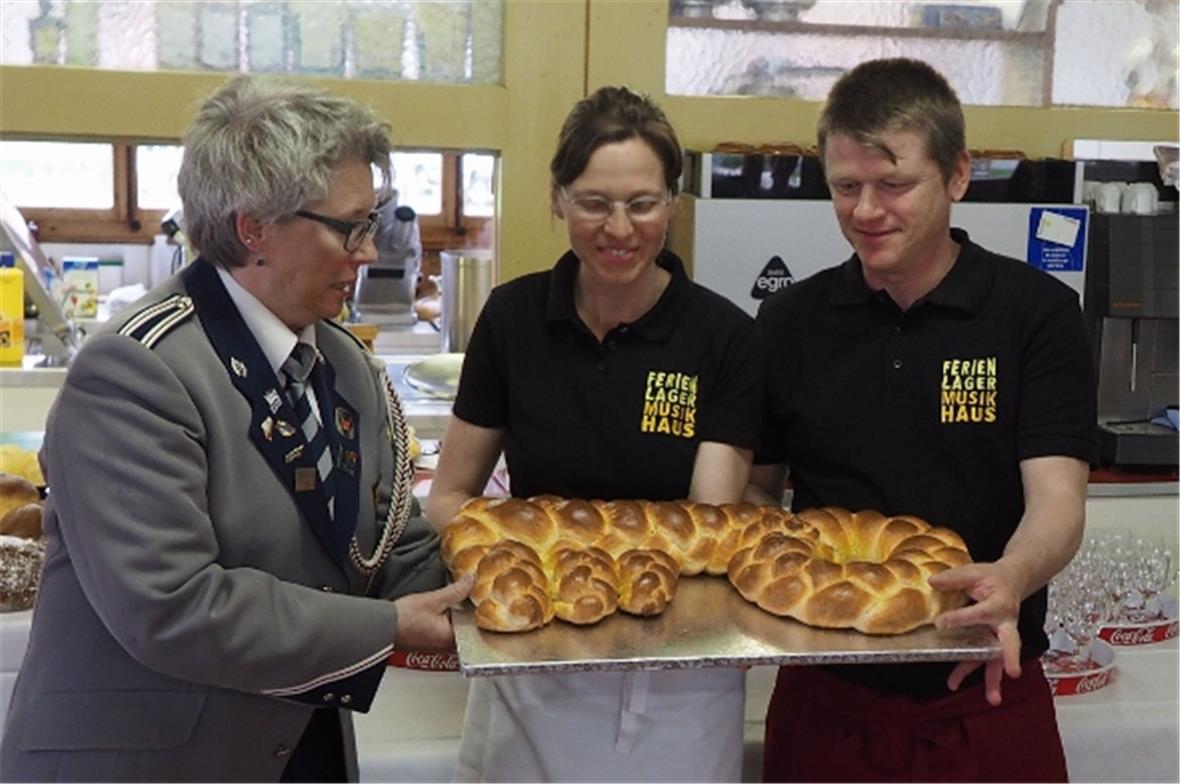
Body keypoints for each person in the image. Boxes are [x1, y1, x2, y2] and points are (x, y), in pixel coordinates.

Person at [0, 76, 471, 783]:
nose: (369, 251)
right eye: (350, 227)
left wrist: (506, 569)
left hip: (296, 748)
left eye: (370, 222)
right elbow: (174, 605)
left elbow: (384, 545)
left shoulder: (344, 363)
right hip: (145, 762)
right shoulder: (136, 370)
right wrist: (390, 628)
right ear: (253, 228)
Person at [748, 58, 1097, 782]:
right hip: (826, 705)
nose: (866, 212)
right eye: (846, 188)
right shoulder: (788, 323)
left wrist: (1012, 573)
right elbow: (755, 495)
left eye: (894, 185)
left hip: (984, 693)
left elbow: (1057, 504)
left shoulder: (1036, 316)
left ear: (958, 175)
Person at [425, 85, 763, 782]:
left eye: (642, 204)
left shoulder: (723, 337)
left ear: (672, 202)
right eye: (594, 203)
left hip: (679, 683)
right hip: (530, 667)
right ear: (558, 199)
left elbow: (711, 527)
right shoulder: (514, 318)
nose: (619, 229)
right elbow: (452, 495)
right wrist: (519, 567)